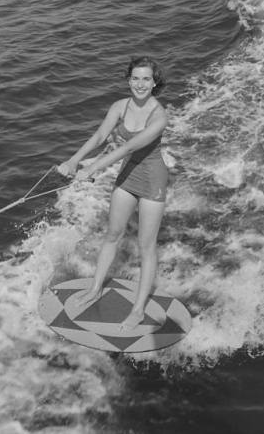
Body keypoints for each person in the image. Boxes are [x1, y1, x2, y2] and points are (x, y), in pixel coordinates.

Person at [57, 56, 168, 331]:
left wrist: (93, 167)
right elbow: (99, 137)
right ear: (128, 80)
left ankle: (139, 309)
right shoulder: (119, 106)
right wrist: (74, 160)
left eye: (146, 79)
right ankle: (95, 287)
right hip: (128, 175)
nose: (140, 84)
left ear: (154, 82)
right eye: (135, 78)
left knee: (146, 245)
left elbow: (128, 149)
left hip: (152, 178)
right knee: (112, 234)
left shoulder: (158, 116)